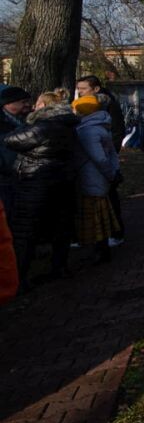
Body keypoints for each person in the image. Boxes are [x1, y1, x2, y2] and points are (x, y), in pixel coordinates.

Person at [3, 91, 79, 287]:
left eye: (35, 103)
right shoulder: (67, 125)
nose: (32, 106)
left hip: (35, 184)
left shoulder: (43, 127)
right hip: (62, 183)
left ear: (44, 106)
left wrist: (24, 126)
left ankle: (20, 278)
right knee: (60, 229)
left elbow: (10, 140)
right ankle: (59, 267)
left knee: (25, 232)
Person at [76, 76, 126, 247]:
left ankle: (115, 234)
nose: (79, 92)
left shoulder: (106, 105)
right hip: (93, 163)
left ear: (95, 89)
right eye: (79, 89)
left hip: (102, 162)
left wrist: (112, 154)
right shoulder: (85, 106)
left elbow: (118, 130)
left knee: (108, 198)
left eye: (83, 89)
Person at [72, 95, 120, 264]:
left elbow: (99, 158)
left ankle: (99, 252)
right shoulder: (100, 126)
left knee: (94, 217)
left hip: (92, 176)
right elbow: (111, 154)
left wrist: (109, 173)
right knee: (100, 215)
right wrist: (114, 171)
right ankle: (100, 250)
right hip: (99, 177)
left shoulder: (88, 130)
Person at [0, 86, 32, 214]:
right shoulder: (2, 123)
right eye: (22, 102)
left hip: (17, 177)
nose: (27, 105)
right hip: (5, 177)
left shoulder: (25, 120)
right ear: (8, 103)